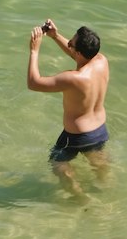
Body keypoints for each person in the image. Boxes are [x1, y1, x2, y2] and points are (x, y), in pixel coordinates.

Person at [27, 20, 110, 195]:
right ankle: (105, 187)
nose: (69, 44)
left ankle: (80, 197)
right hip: (100, 130)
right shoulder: (102, 61)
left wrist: (34, 50)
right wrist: (55, 36)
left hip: (78, 136)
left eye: (70, 44)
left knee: (57, 163)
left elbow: (33, 83)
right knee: (98, 161)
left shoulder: (74, 78)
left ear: (78, 52)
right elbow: (78, 55)